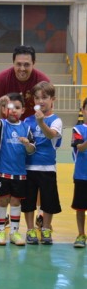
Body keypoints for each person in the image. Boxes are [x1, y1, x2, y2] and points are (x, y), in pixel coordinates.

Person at [0, 45, 50, 230]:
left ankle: (40, 213)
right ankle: (4, 216)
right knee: (7, 173)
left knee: (35, 172)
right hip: (9, 128)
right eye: (18, 64)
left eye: (27, 64)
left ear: (34, 63)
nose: (22, 68)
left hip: (33, 127)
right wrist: (6, 131)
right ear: (13, 63)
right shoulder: (1, 79)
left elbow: (47, 109)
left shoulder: (42, 80)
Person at [21, 81, 62, 245]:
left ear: (53, 99)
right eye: (37, 98)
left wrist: (41, 123)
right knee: (28, 201)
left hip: (47, 168)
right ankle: (30, 229)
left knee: (48, 202)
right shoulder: (27, 121)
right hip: (28, 168)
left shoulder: (56, 120)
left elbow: (51, 135)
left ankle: (45, 229)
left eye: (44, 97)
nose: (40, 101)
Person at [0, 92, 35, 246]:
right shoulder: (3, 125)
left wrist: (27, 145)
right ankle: (0, 231)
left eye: (17, 107)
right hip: (3, 171)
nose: (14, 110)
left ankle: (15, 232)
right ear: (5, 110)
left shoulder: (26, 127)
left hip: (20, 174)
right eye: (10, 107)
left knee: (16, 202)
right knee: (2, 201)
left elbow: (31, 150)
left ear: (23, 110)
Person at [71, 97, 87, 248]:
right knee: (81, 207)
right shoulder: (78, 130)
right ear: (83, 110)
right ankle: (81, 234)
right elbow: (80, 147)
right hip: (82, 175)